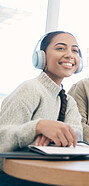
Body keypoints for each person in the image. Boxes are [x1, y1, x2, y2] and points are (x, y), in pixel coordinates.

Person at [0, 31, 83, 179]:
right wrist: (37, 127)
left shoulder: (68, 101)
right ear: (41, 57)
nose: (70, 54)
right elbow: (2, 137)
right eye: (61, 48)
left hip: (49, 173)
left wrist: (54, 136)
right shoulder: (30, 88)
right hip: (14, 176)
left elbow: (78, 137)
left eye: (75, 50)